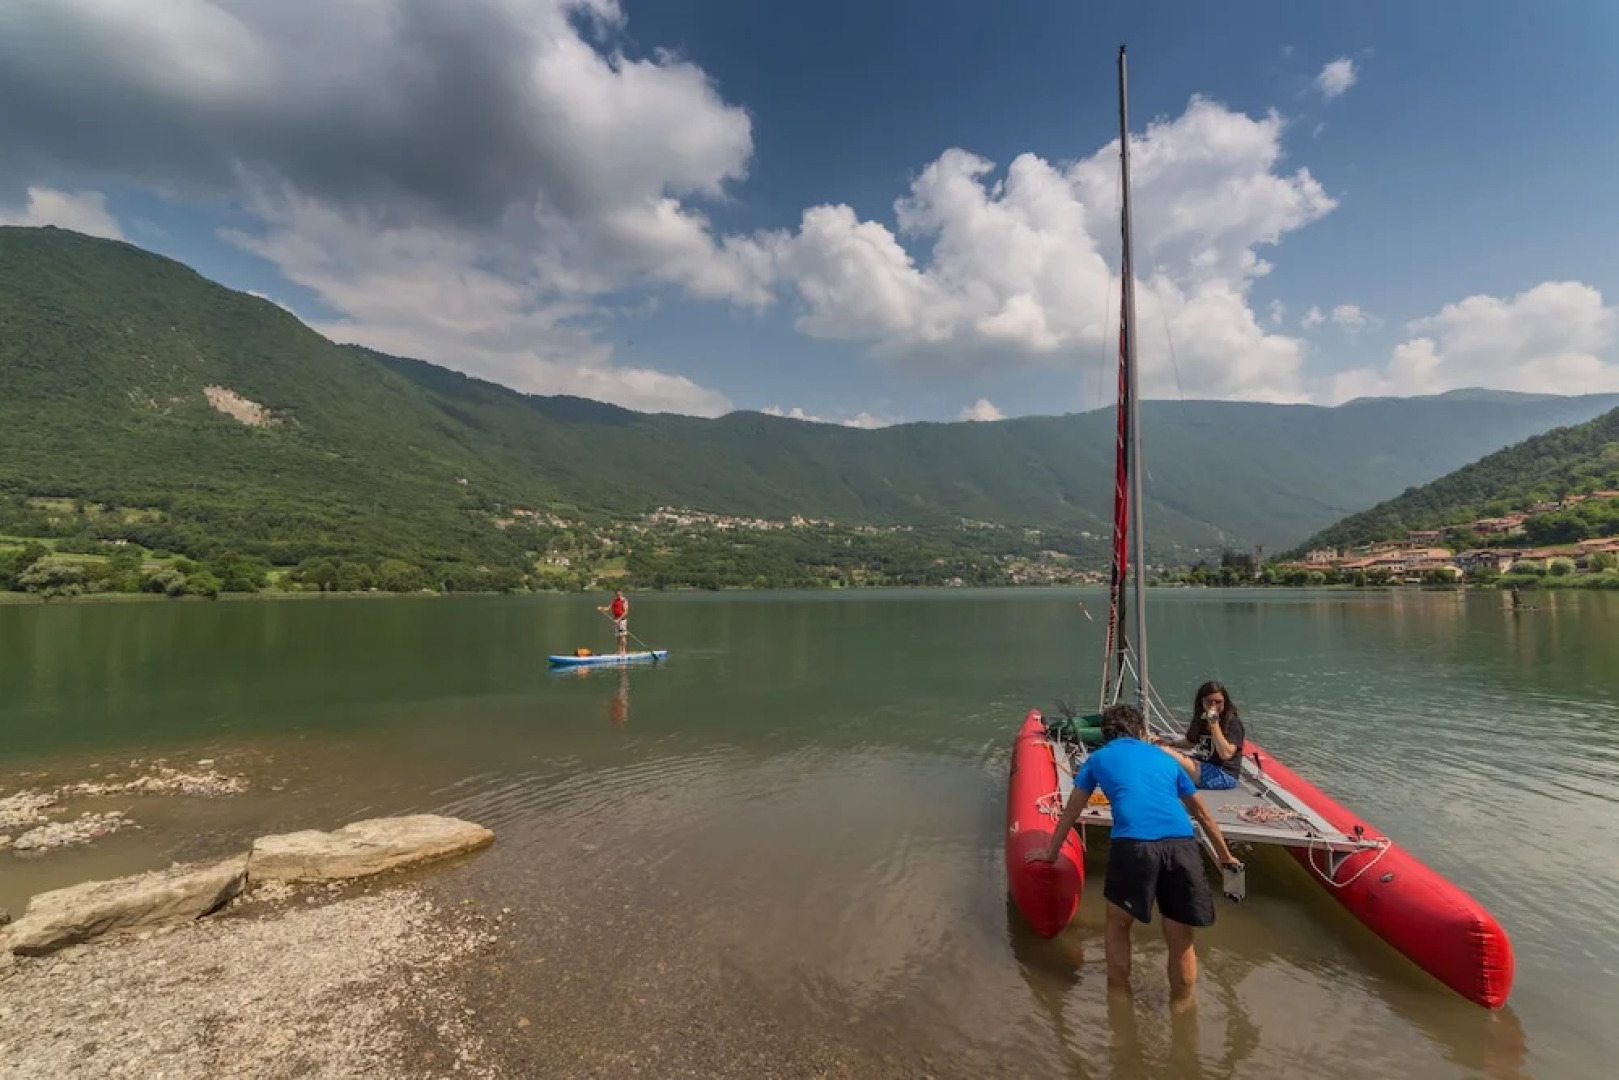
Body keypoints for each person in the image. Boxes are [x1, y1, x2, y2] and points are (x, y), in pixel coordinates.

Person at [1027, 702, 1241, 1004]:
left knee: (1118, 925)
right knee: (1180, 937)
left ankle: (1119, 1002)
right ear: (1140, 731)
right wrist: (1225, 857)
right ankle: (1183, 1009)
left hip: (1134, 844)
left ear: (1106, 734)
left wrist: (1050, 853)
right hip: (1181, 844)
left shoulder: (1099, 758)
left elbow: (1071, 811)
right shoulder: (1164, 757)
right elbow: (1203, 814)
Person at [1153, 680, 1245, 791]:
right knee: (1160, 755)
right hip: (1200, 764)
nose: (1213, 706)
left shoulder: (1232, 722)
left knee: (1164, 751)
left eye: (1218, 702)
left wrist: (1214, 724)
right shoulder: (1201, 718)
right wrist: (1170, 743)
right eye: (1209, 702)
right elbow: (1191, 742)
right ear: (1201, 701)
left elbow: (1226, 754)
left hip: (1223, 774)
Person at [597, 588, 629, 655]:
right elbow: (608, 608)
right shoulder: (614, 600)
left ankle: (624, 651)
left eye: (619, 593)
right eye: (617, 593)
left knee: (622, 635)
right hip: (616, 620)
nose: (618, 594)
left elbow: (625, 612)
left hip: (622, 620)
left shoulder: (624, 601)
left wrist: (619, 620)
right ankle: (619, 650)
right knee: (617, 636)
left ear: (621, 593)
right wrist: (601, 608)